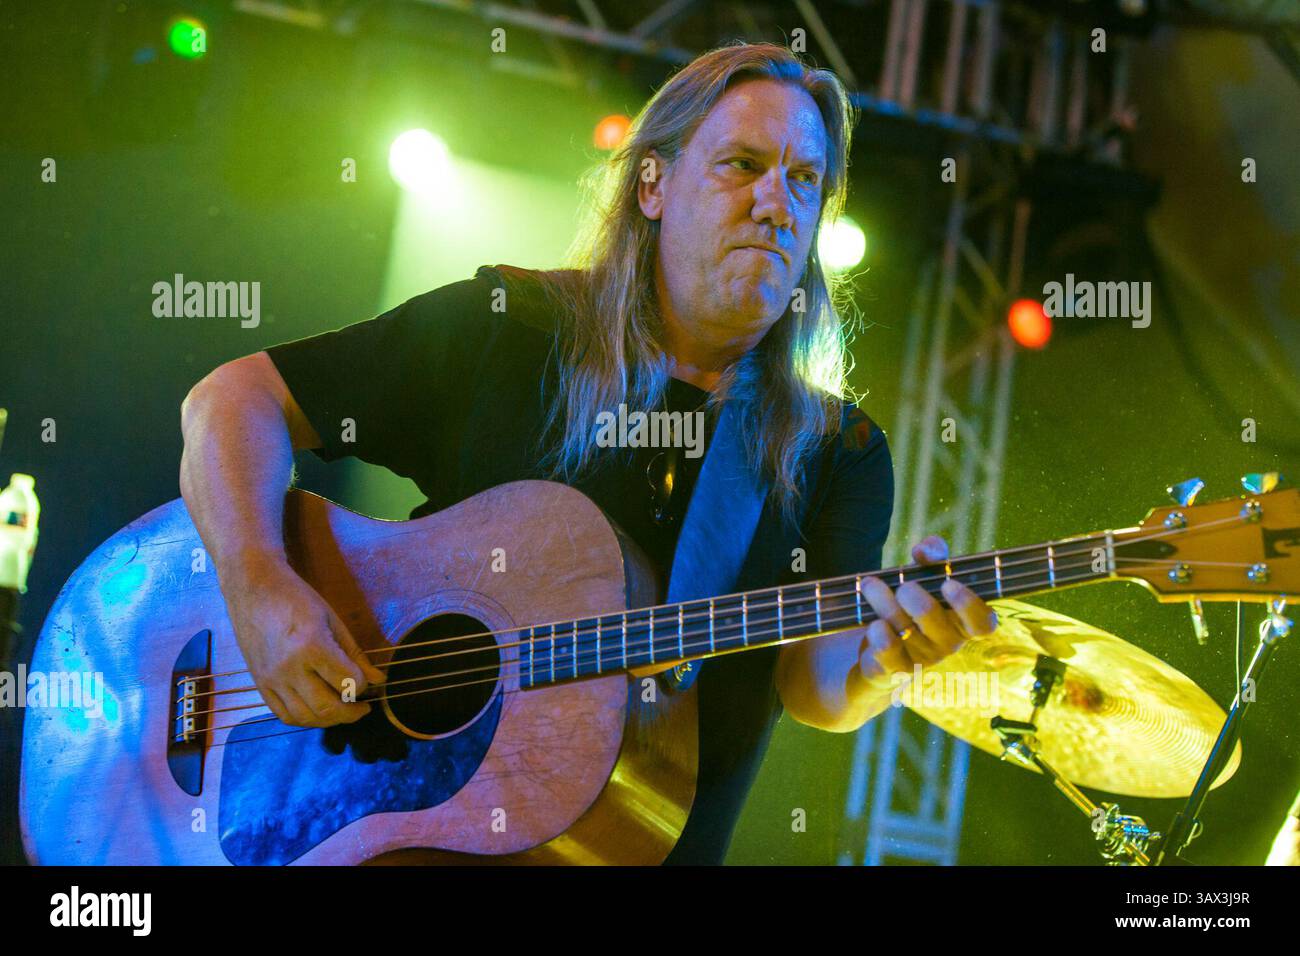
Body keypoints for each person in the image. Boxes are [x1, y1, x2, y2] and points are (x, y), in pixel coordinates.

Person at [178, 41, 997, 864]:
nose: (776, 203)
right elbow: (232, 400)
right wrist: (258, 586)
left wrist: (888, 665)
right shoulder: (509, 330)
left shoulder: (837, 452)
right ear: (653, 185)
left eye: (804, 180)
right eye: (743, 164)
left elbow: (818, 687)